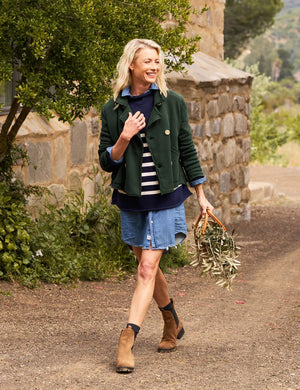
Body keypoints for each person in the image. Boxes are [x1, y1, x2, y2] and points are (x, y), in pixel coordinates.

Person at [98, 38, 213, 374]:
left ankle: (127, 338)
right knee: (145, 265)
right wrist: (124, 136)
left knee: (147, 269)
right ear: (131, 65)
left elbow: (187, 150)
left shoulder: (172, 102)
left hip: (166, 197)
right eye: (147, 61)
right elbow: (108, 162)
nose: (153, 66)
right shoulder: (113, 109)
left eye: (157, 61)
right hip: (132, 198)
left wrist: (202, 195)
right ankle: (171, 321)